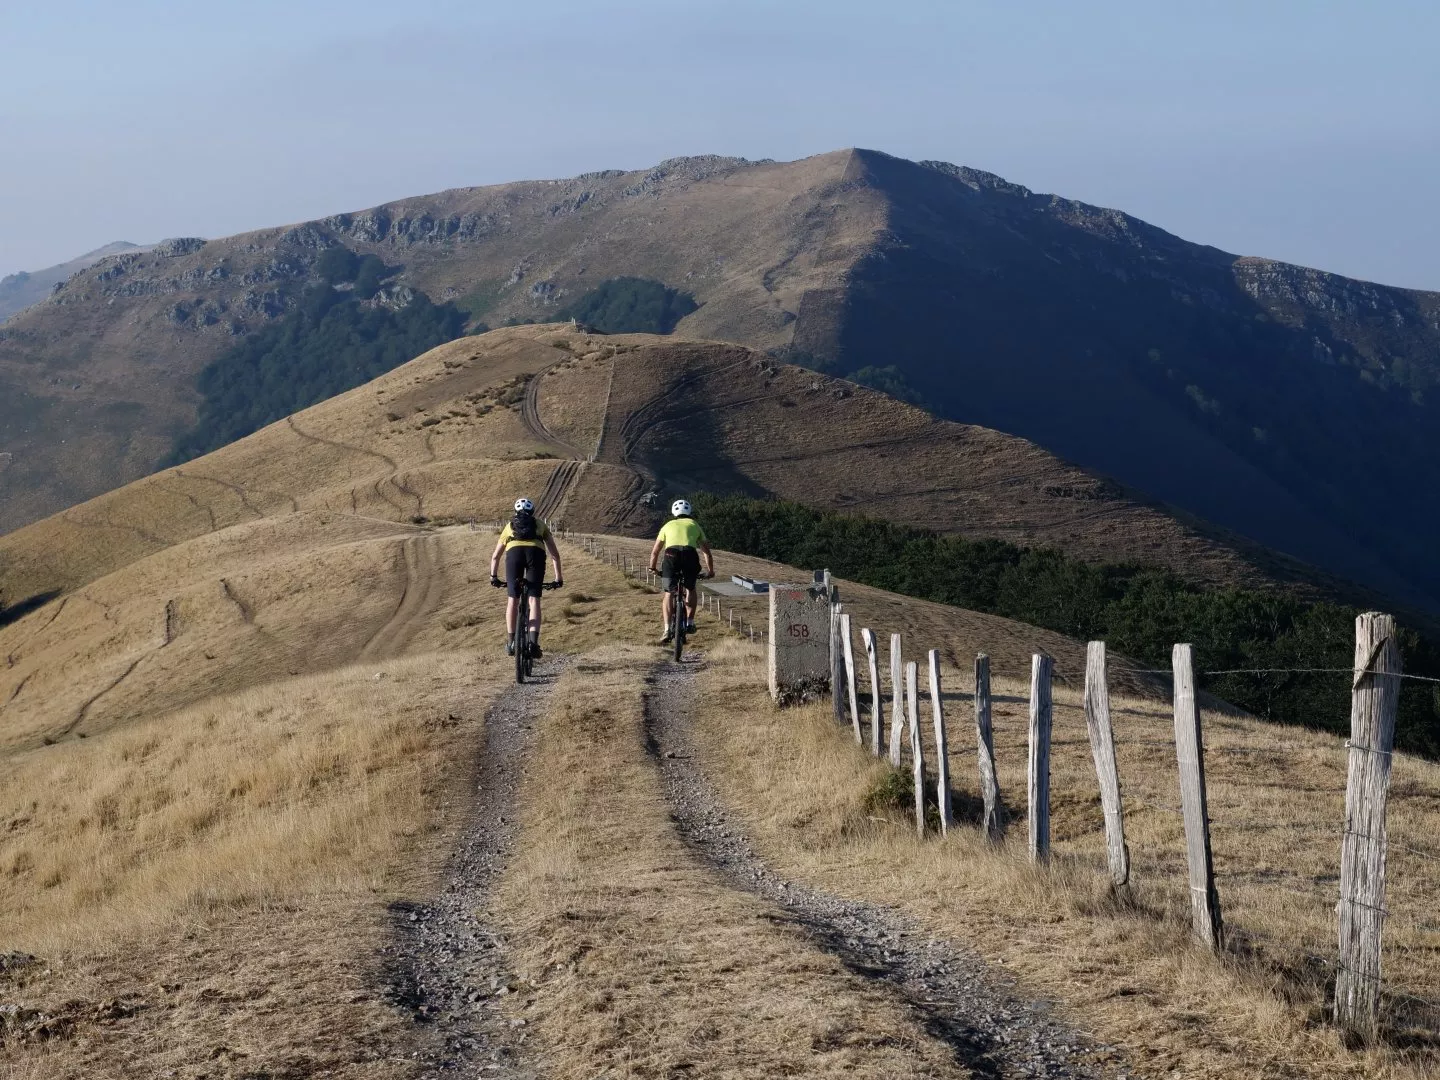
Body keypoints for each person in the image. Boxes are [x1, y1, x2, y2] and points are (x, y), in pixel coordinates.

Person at [489, 498, 563, 657]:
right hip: (535, 556)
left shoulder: (509, 527)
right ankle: (533, 644)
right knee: (533, 600)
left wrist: (493, 577)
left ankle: (511, 643)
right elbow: (554, 555)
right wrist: (558, 578)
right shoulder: (540, 525)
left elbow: (495, 556)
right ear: (533, 512)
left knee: (512, 600)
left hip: (513, 556)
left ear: (515, 512)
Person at [647, 499, 714, 644]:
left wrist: (653, 568)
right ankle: (690, 622)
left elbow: (655, 552)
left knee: (668, 593)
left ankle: (666, 629)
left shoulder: (667, 525)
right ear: (689, 512)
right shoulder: (694, 524)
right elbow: (706, 553)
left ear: (673, 512)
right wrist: (710, 571)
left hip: (671, 556)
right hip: (690, 556)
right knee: (691, 588)